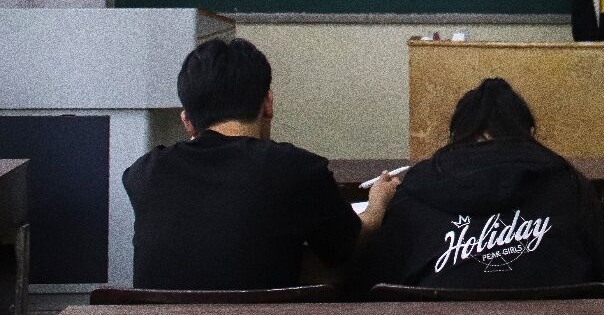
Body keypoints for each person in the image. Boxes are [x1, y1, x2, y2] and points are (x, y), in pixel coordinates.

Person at [123, 37, 398, 289]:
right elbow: (347, 248)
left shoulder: (143, 173)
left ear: (187, 121)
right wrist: (378, 202)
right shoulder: (296, 169)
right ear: (268, 103)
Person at [360, 78, 604, 293]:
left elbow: (376, 284)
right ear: (527, 131)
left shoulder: (417, 187)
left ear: (458, 134)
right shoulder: (567, 182)